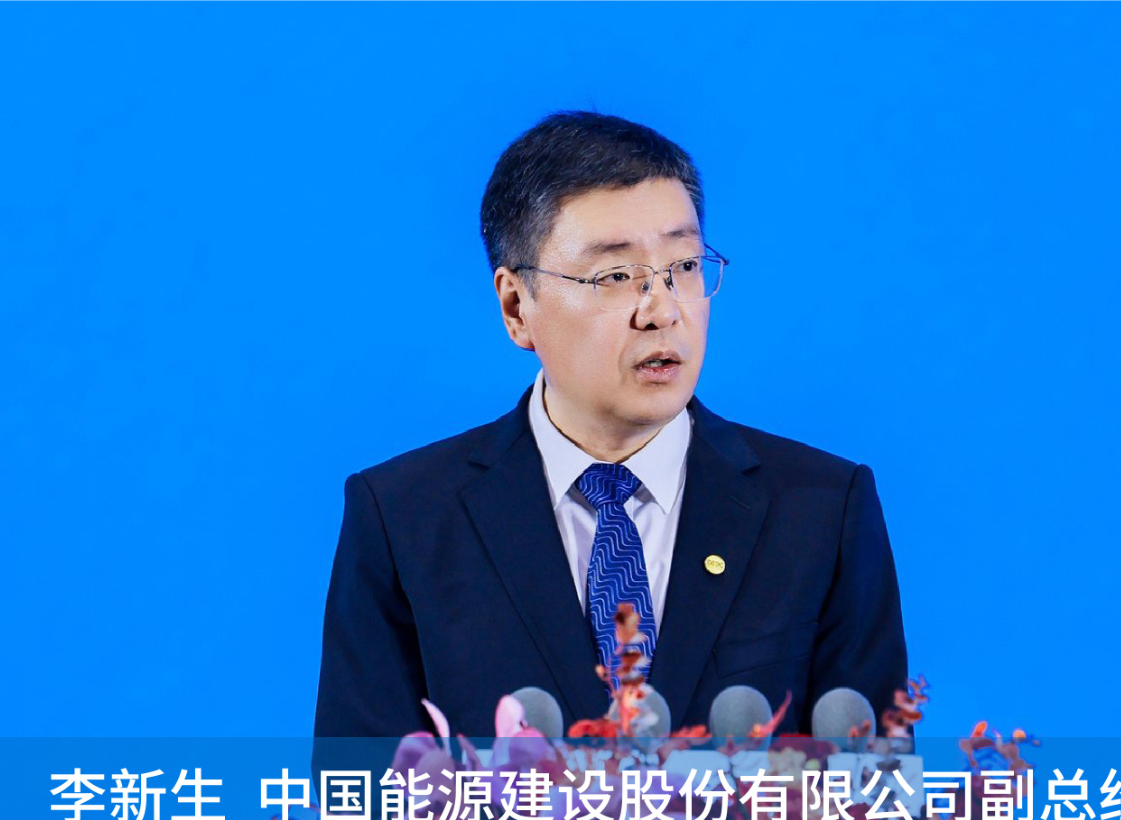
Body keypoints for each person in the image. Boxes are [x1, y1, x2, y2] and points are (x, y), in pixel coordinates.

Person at [313, 111, 908, 760]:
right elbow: (357, 797)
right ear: (516, 306)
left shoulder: (822, 510)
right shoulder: (404, 518)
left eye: (685, 265)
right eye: (615, 276)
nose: (662, 309)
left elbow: (876, 791)